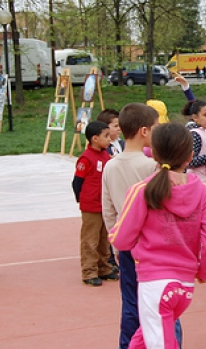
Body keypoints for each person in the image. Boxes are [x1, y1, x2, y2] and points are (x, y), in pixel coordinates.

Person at [109, 122, 206, 349]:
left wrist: (117, 235)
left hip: (154, 283)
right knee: (144, 339)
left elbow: (122, 238)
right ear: (191, 156)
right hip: (184, 284)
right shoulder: (203, 192)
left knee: (157, 340)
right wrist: (204, 270)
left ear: (152, 153)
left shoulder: (142, 191)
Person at [102, 103, 166, 349]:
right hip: (151, 245)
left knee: (130, 300)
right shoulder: (152, 167)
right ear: (143, 131)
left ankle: (128, 344)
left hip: (126, 242)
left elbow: (108, 209)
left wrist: (115, 240)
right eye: (155, 128)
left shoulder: (110, 164)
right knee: (158, 302)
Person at [72, 121, 119, 287]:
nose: (109, 139)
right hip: (91, 205)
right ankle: (89, 271)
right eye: (106, 136)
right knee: (90, 239)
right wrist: (83, 199)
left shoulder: (105, 155)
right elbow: (77, 182)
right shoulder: (86, 159)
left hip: (104, 204)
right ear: (94, 139)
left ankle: (104, 268)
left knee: (104, 239)